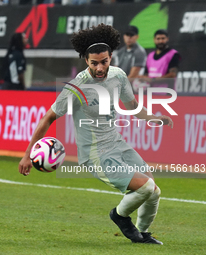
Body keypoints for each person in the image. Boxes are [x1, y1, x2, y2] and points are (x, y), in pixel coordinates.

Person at [19, 24, 173, 245]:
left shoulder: (118, 75)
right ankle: (119, 216)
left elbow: (133, 106)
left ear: (111, 57)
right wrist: (27, 155)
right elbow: (47, 118)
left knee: (154, 190)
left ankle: (143, 233)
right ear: (86, 61)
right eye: (94, 63)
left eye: (104, 61)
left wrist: (154, 118)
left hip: (117, 144)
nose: (100, 67)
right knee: (146, 187)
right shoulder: (76, 87)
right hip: (96, 154)